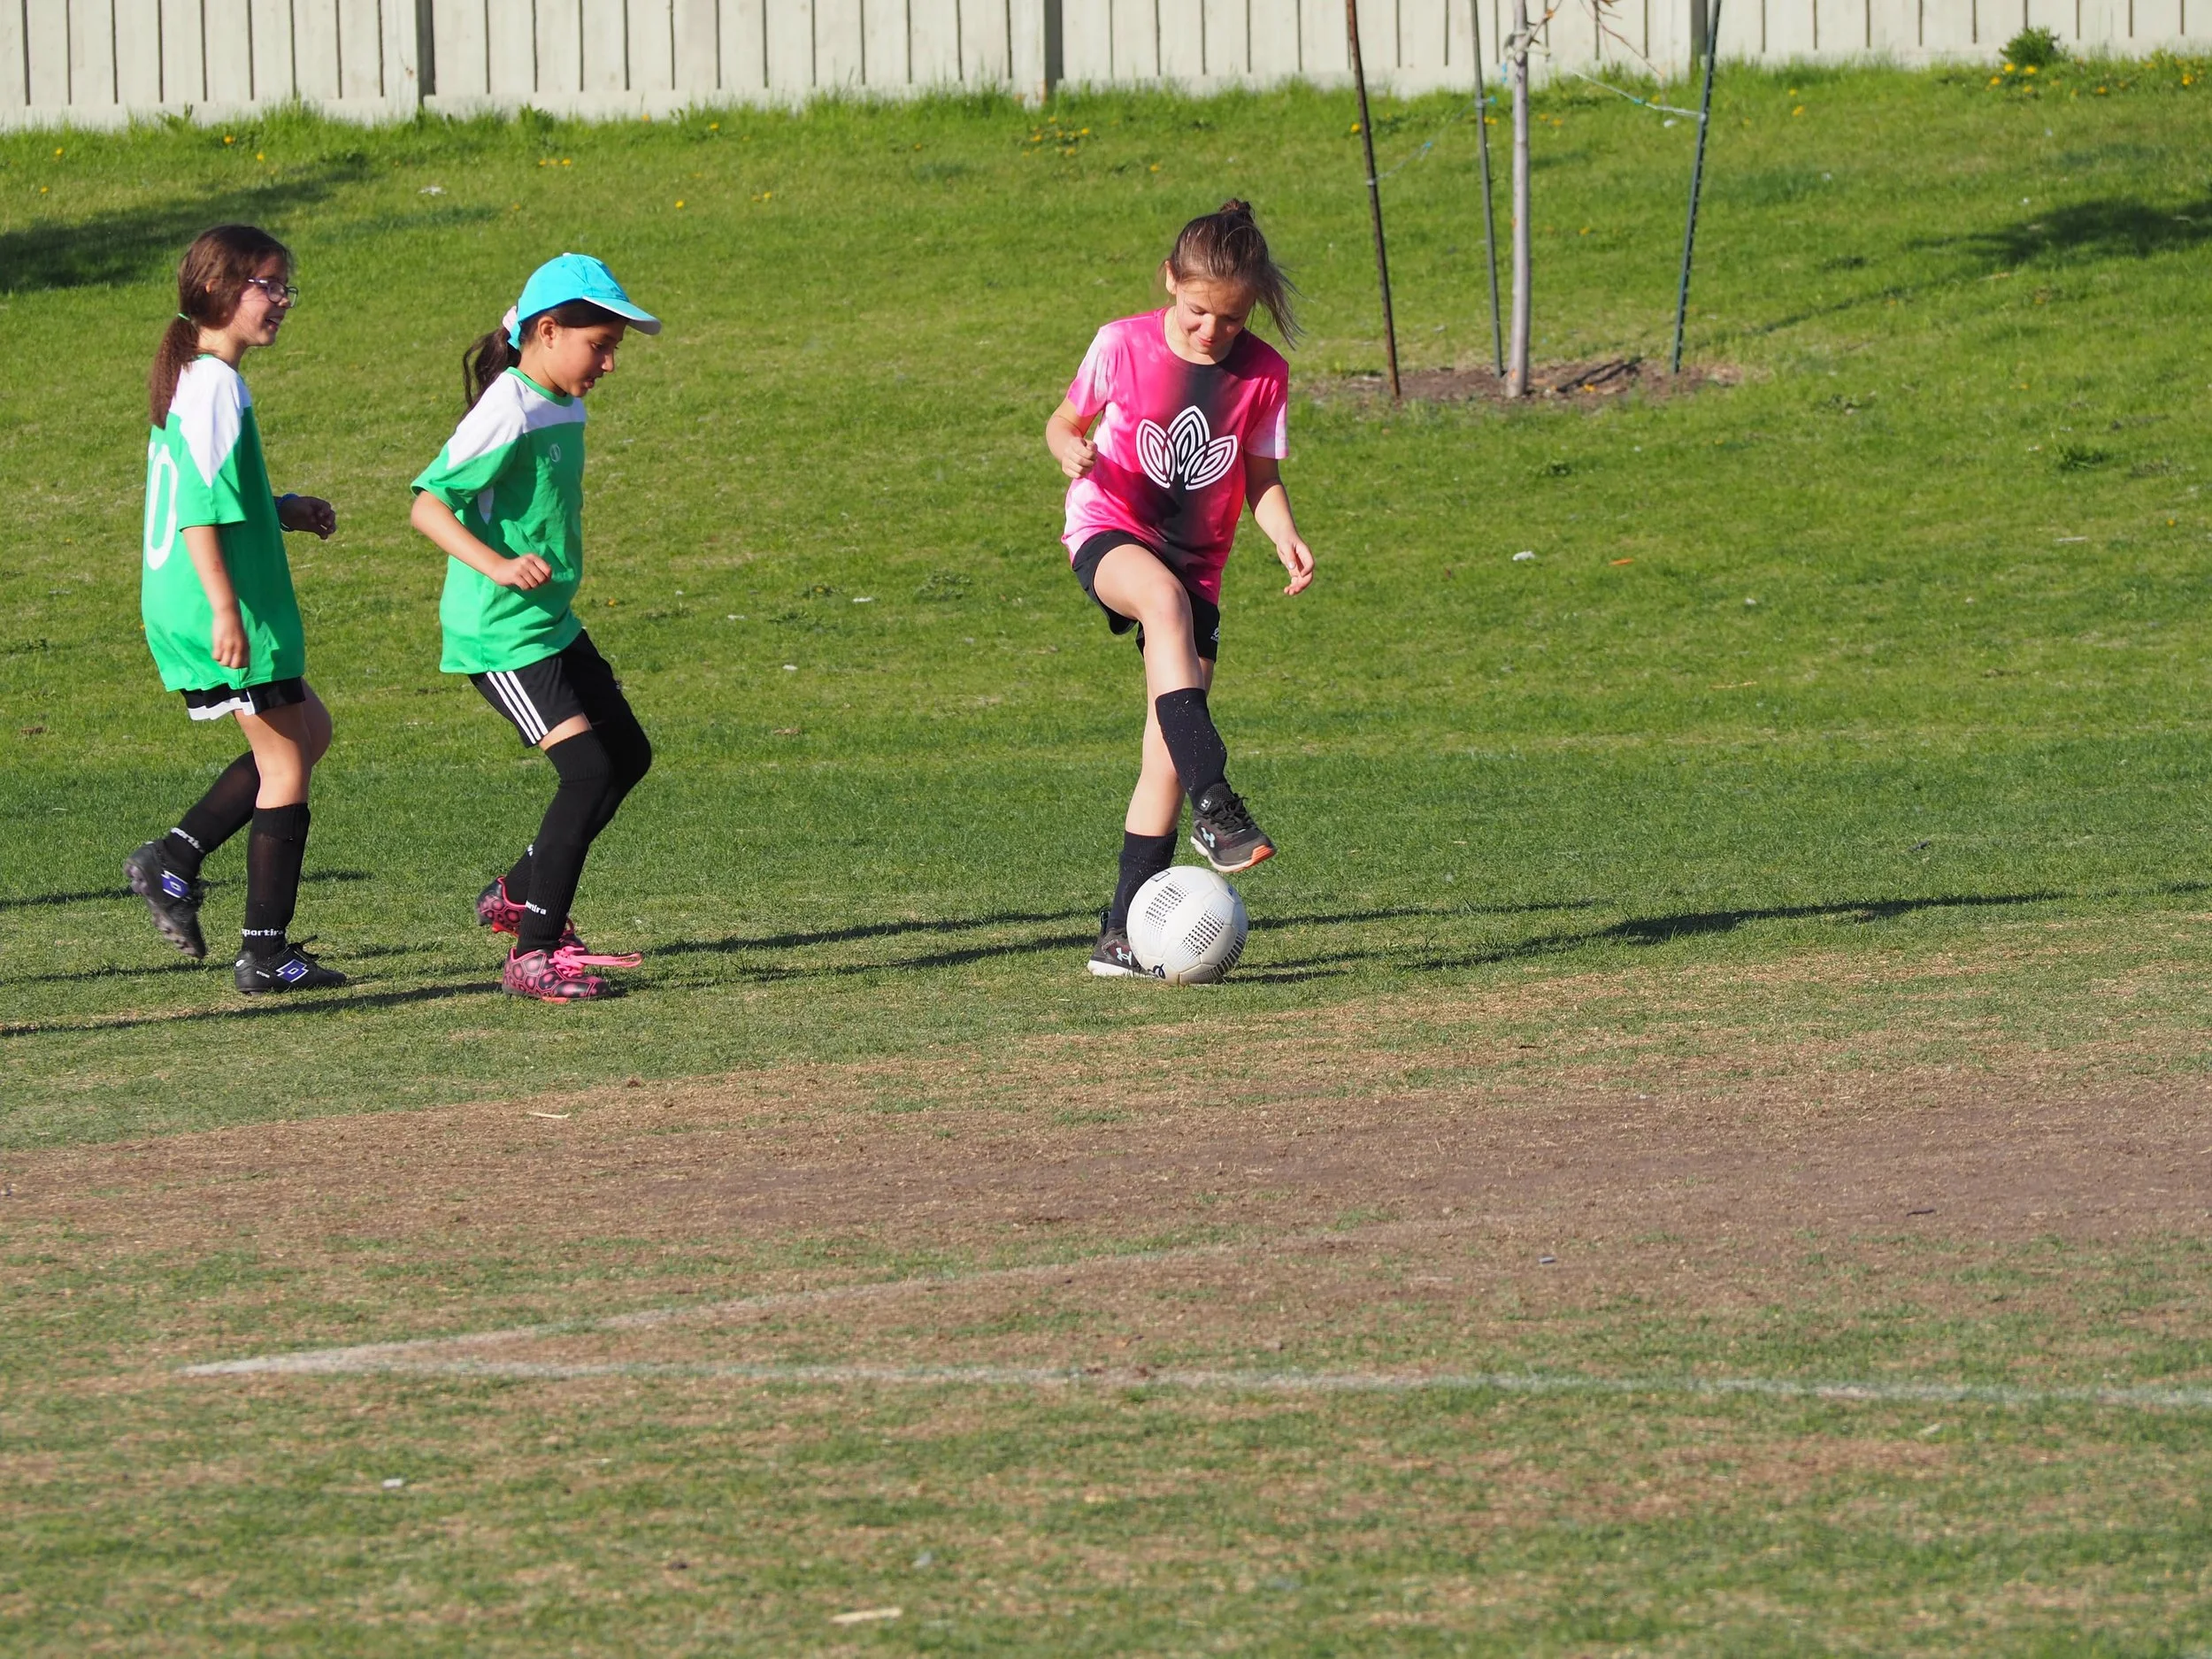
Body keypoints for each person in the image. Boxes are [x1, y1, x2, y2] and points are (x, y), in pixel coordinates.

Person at [1044, 200, 1317, 978]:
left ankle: (1121, 935)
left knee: (1164, 753)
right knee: (1158, 602)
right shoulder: (1120, 344)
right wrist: (1070, 449)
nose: (1211, 332)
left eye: (1230, 320)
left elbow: (1259, 475)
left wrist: (1283, 532)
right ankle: (1217, 801)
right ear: (1170, 281)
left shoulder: (1264, 374)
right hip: (1109, 529)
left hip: (1199, 562)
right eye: (1198, 312)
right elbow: (1063, 419)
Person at [408, 253, 659, 1002]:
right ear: (547, 332)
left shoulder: (564, 400)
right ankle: (533, 951)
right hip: (501, 632)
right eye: (600, 345)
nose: (610, 363)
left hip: (549, 622)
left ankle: (519, 890)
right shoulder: (508, 408)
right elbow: (427, 504)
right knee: (586, 773)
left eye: (615, 347)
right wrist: (497, 564)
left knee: (627, 756)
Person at [125, 224, 346, 994]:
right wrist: (224, 609)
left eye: (286, 286)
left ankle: (176, 861)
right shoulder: (213, 381)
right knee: (285, 759)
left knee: (307, 732)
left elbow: (217, 491)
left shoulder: (202, 374)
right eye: (269, 286)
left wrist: (280, 507)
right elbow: (195, 512)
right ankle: (264, 949)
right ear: (222, 290)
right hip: (219, 603)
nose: (282, 301)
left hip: (210, 597)